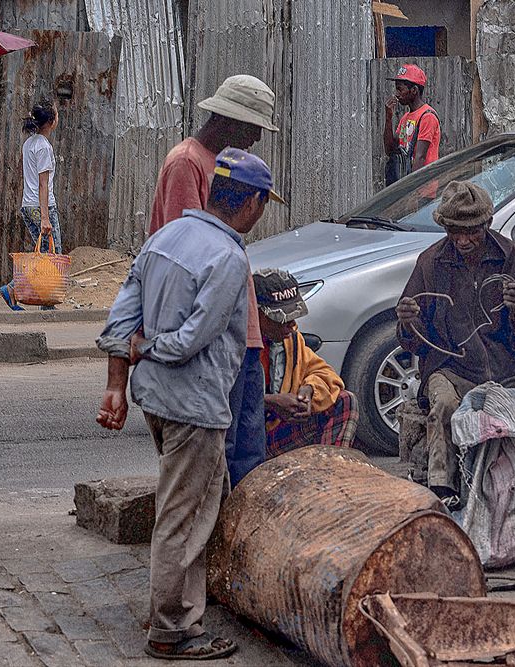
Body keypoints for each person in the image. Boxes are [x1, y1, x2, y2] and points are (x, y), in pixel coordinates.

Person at [96, 149, 282, 661]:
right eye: (263, 203)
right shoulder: (226, 256)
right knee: (184, 514)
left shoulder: (165, 238)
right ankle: (172, 627)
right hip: (192, 401)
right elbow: (191, 339)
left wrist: (126, 367)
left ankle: (181, 603)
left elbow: (118, 321)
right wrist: (148, 347)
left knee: (191, 503)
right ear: (253, 203)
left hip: (156, 396)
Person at [395, 180, 515, 520]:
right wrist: (407, 321)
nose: (462, 240)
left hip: (510, 368)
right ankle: (441, 498)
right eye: (454, 232)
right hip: (452, 368)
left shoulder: (512, 257)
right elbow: (412, 341)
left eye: (470, 231)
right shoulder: (431, 263)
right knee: (443, 403)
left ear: (486, 225)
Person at [148, 74, 280, 488]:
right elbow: (188, 255)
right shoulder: (187, 162)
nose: (257, 137)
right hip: (213, 337)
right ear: (233, 122)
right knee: (217, 458)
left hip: (238, 332)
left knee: (246, 455)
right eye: (255, 127)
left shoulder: (219, 164)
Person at [253, 268, 359, 456]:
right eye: (283, 319)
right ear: (257, 315)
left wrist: (308, 390)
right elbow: (222, 404)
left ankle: (330, 472)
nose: (291, 326)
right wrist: (269, 402)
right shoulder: (235, 346)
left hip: (276, 435)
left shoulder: (291, 340)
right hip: (245, 442)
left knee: (344, 401)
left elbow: (324, 373)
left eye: (293, 318)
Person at [0, 99, 62, 312]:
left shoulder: (30, 143)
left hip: (29, 205)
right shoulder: (44, 147)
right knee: (51, 257)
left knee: (45, 254)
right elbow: (43, 184)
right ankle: (16, 289)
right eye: (56, 113)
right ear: (52, 121)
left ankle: (44, 303)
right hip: (41, 207)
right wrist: (45, 217)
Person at [383, 64, 441, 185]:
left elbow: (420, 157)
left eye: (400, 89)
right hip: (407, 188)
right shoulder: (405, 118)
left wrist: (412, 192)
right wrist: (388, 118)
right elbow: (390, 150)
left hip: (423, 189)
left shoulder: (427, 116)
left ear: (414, 90)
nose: (397, 94)